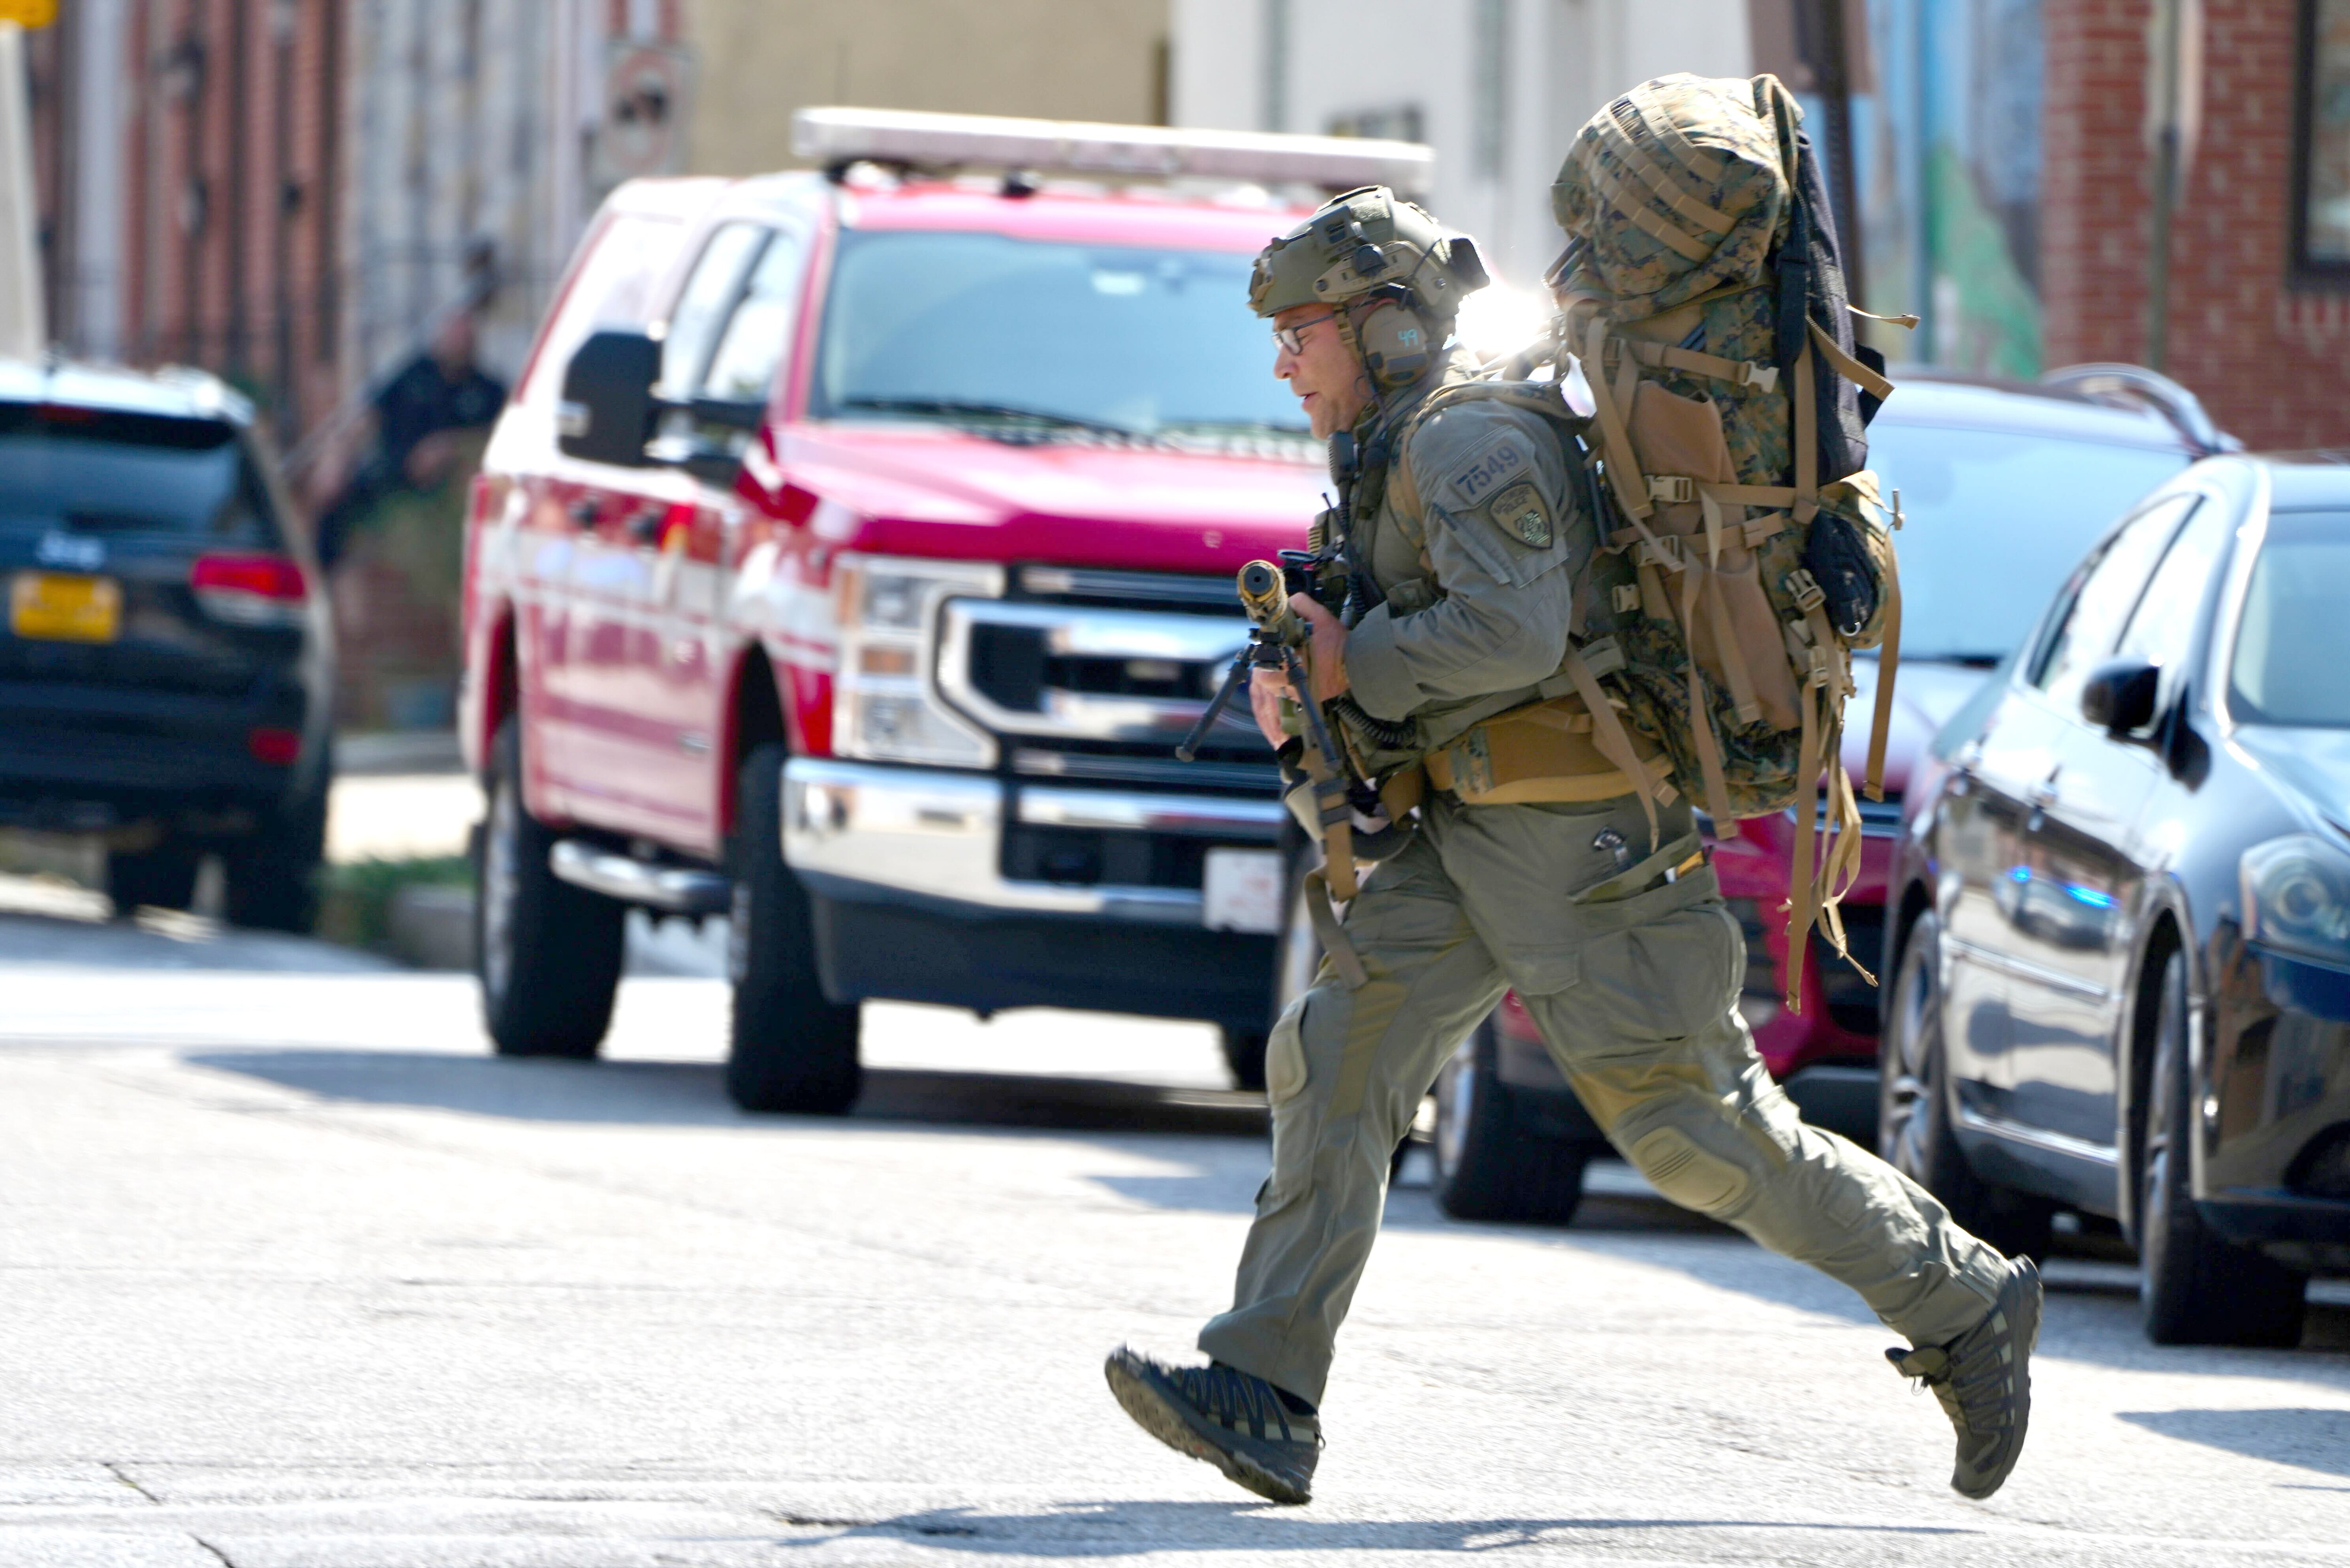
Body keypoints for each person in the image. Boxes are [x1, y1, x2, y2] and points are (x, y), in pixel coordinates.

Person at [1103, 187, 2040, 1508]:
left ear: (1378, 324)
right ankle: (1266, 1390)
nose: (1280, 360)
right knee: (1340, 1053)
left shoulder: (1468, 440)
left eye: (1299, 329)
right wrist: (1315, 663)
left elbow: (1515, 635)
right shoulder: (1396, 444)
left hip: (1583, 840)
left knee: (1696, 1131)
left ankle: (1966, 1300)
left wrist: (1348, 660)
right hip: (1479, 829)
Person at [313, 310, 507, 570]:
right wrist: (335, 459)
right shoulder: (415, 374)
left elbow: (497, 437)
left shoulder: (488, 390)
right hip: (392, 473)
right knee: (336, 510)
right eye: (453, 332)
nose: (458, 340)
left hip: (444, 487)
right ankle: (321, 580)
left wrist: (449, 446)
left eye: (465, 334)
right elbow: (368, 416)